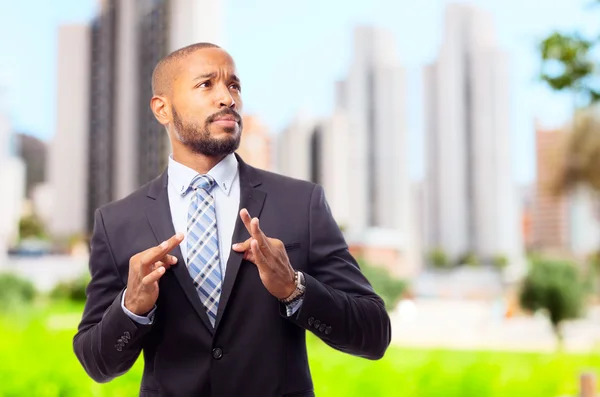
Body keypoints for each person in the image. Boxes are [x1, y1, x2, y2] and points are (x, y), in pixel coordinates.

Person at [73, 42, 391, 397]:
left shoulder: (301, 203)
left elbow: (374, 333)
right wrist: (131, 308)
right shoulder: (117, 222)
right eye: (206, 84)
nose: (228, 98)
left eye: (234, 86)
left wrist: (294, 288)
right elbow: (95, 363)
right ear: (162, 108)